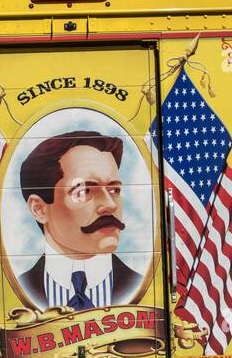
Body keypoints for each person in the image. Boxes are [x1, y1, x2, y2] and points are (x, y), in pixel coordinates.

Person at [17, 130, 143, 310]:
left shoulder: (138, 283)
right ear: (39, 209)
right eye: (84, 192)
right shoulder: (21, 288)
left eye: (114, 190)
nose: (110, 205)